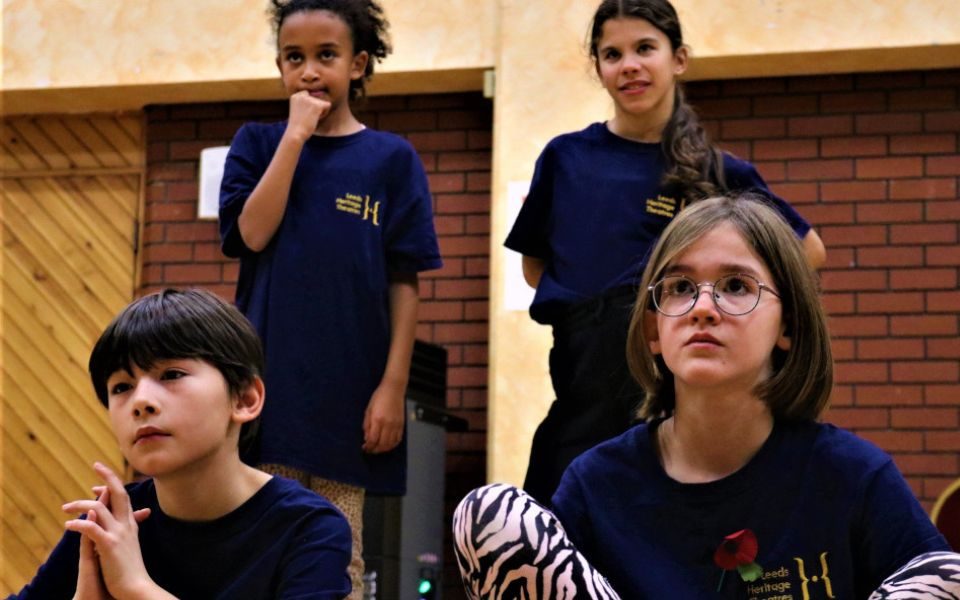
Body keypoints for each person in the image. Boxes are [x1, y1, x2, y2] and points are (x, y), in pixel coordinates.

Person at [453, 195, 960, 599]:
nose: (703, 308)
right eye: (678, 288)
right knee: (489, 513)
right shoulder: (597, 483)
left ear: (788, 324)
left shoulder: (851, 474)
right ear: (654, 331)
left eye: (736, 285)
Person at [506, 0, 827, 505]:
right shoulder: (566, 157)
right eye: (612, 53)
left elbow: (808, 252)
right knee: (557, 532)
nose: (629, 64)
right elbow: (535, 268)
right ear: (598, 68)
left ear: (678, 59)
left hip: (667, 385)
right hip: (581, 381)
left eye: (645, 48)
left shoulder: (718, 172)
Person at [218, 1, 442, 596]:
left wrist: (393, 387)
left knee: (336, 556)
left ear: (359, 64)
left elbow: (405, 282)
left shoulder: (391, 160)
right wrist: (295, 137)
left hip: (351, 397)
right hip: (267, 394)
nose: (310, 71)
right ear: (279, 67)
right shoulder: (258, 142)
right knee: (263, 548)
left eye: (326, 56)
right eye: (295, 58)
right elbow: (251, 234)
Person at [10, 288, 352, 599]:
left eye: (171, 375)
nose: (141, 401)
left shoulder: (308, 528)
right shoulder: (109, 524)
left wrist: (137, 589)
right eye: (121, 387)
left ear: (245, 399)